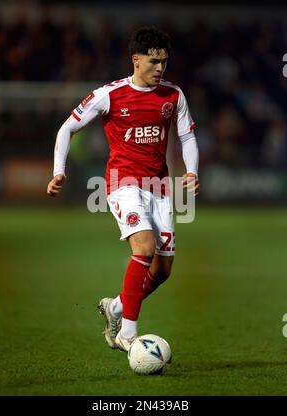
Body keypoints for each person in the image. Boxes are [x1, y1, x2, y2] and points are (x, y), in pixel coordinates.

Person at [47, 26, 199, 352]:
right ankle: (127, 334)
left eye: (164, 62)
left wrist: (191, 171)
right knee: (143, 248)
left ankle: (116, 307)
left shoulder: (173, 96)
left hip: (159, 188)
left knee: (162, 270)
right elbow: (68, 127)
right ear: (135, 59)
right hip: (123, 184)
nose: (160, 68)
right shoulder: (111, 95)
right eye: (153, 61)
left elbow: (186, 136)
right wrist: (59, 171)